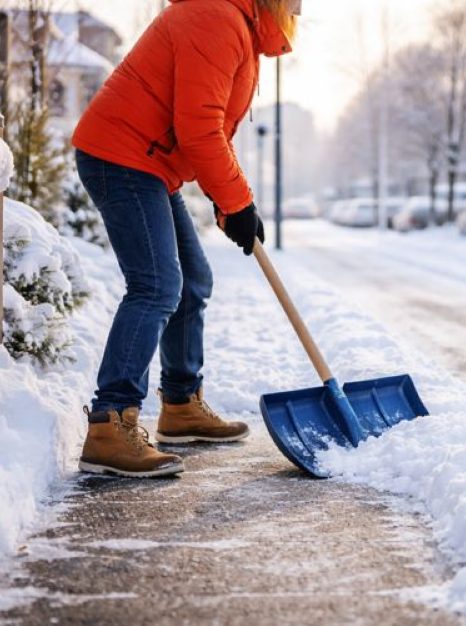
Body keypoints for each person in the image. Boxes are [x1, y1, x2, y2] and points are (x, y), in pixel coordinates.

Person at [71, 0, 300, 478]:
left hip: (150, 164)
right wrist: (237, 202)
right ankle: (109, 424)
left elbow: (212, 126)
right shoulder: (215, 17)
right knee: (156, 286)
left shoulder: (239, 25)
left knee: (193, 280)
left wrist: (231, 201)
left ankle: (180, 405)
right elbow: (198, 128)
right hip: (122, 155)